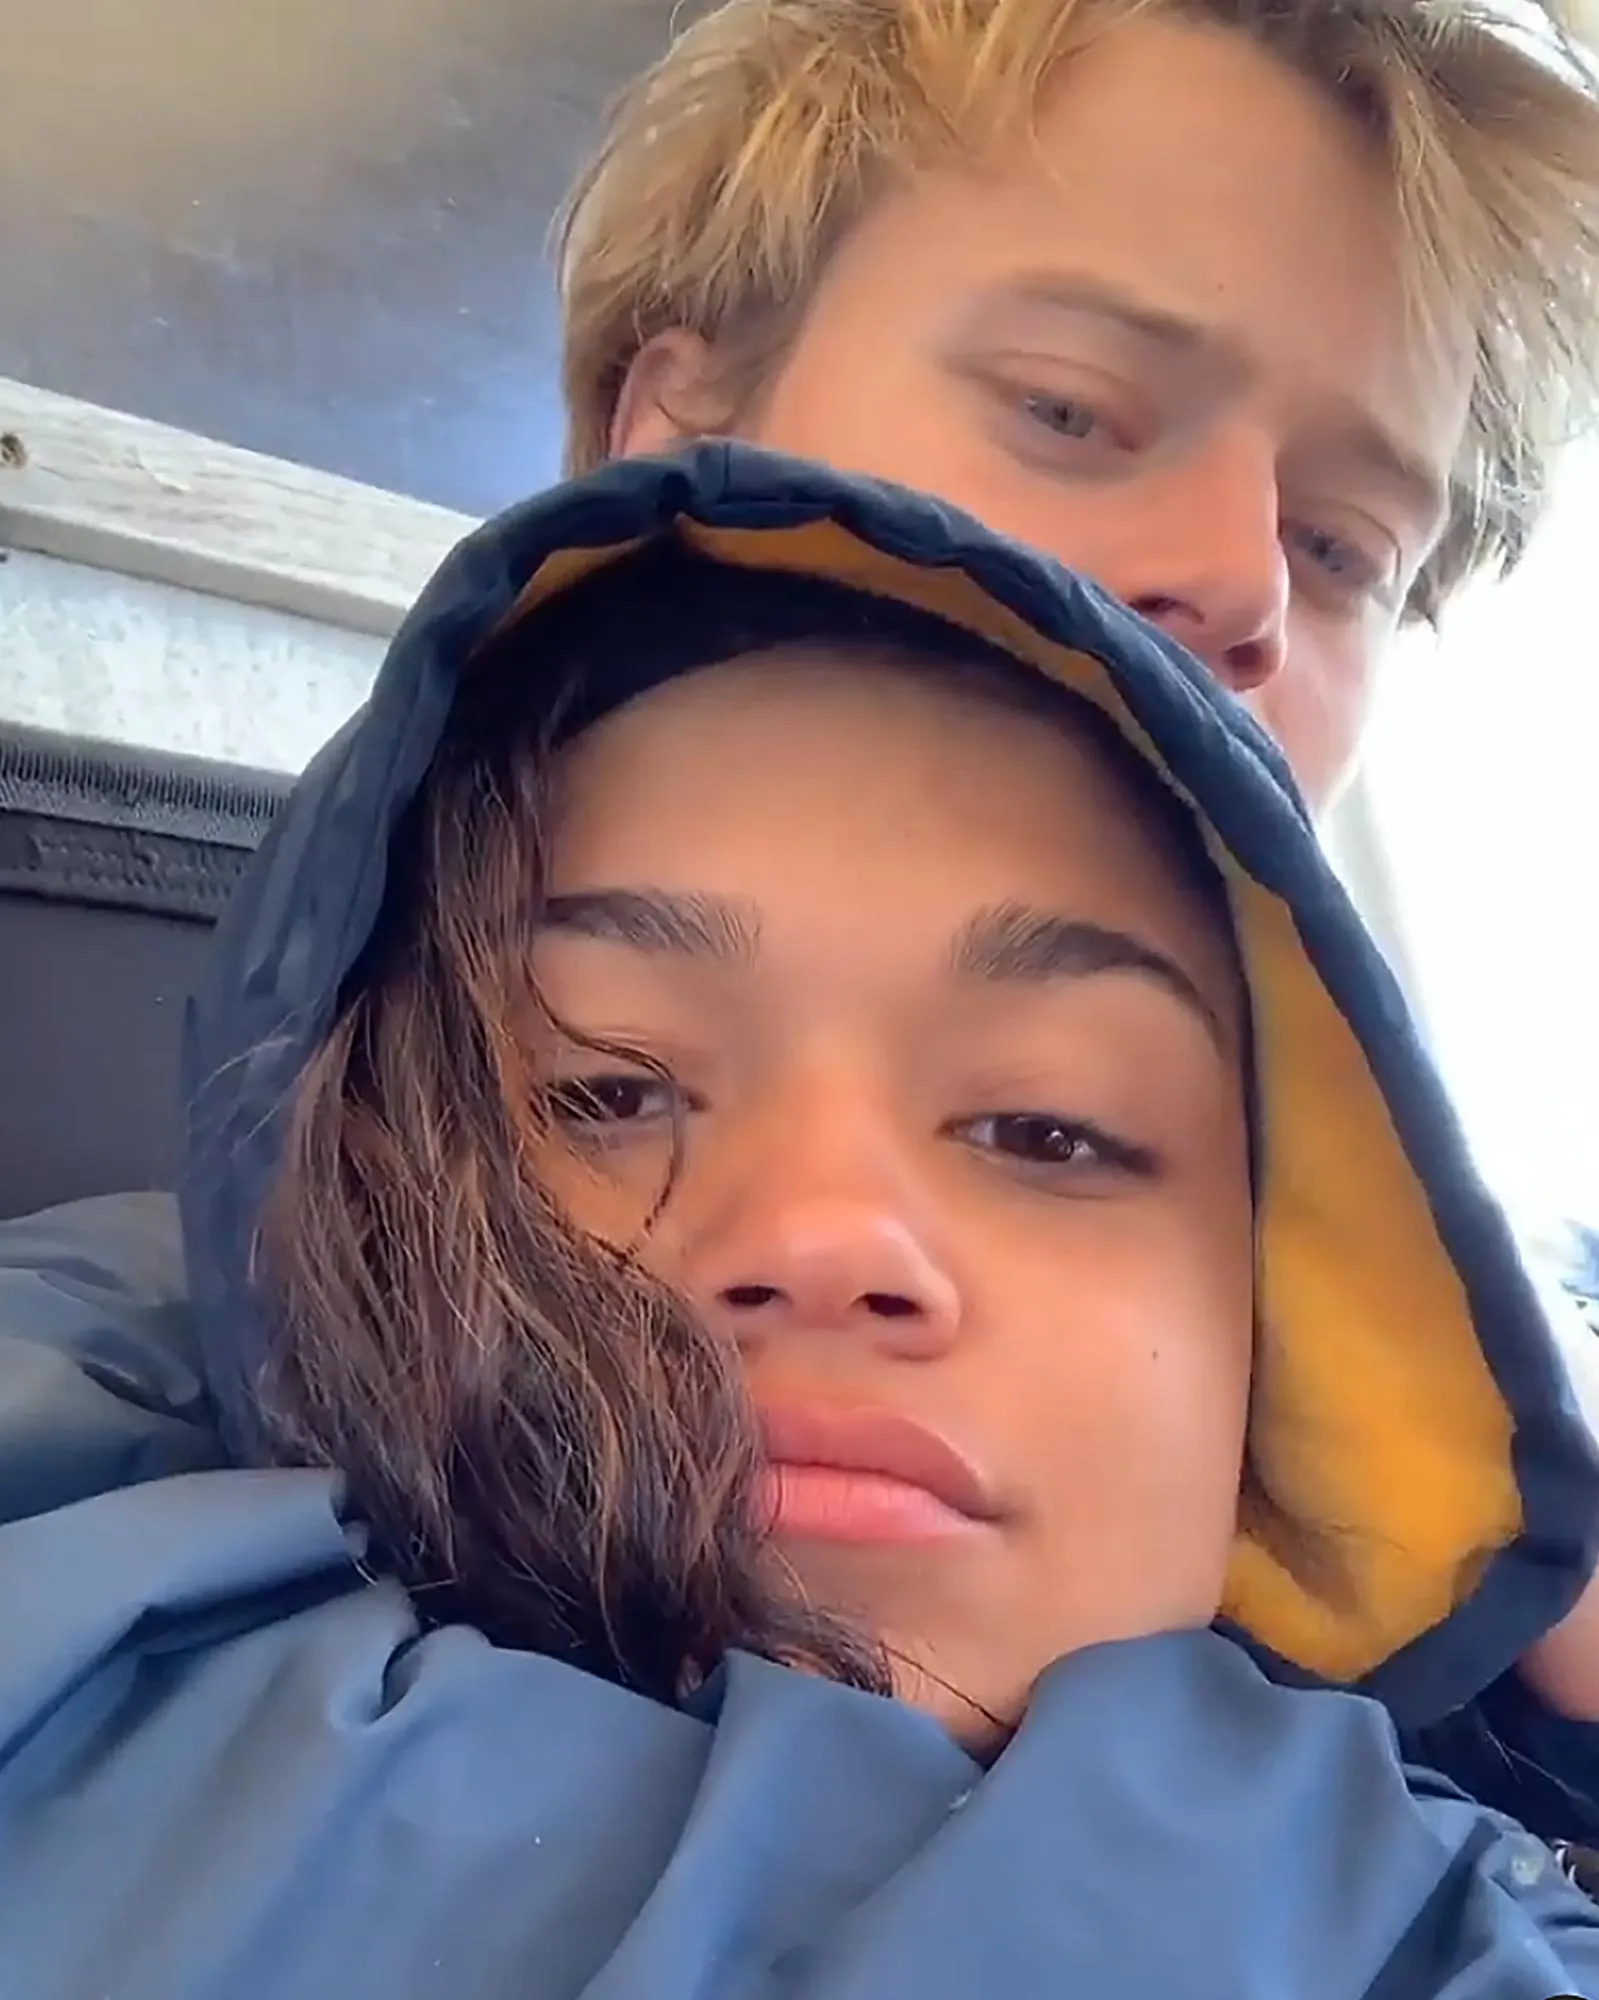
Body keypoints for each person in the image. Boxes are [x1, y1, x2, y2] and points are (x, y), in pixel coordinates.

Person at [2, 0, 1598, 1894]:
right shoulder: (128, 1413)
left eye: (1338, 547)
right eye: (1070, 408)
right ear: (674, 426)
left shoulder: (1451, 1468)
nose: (1239, 585)